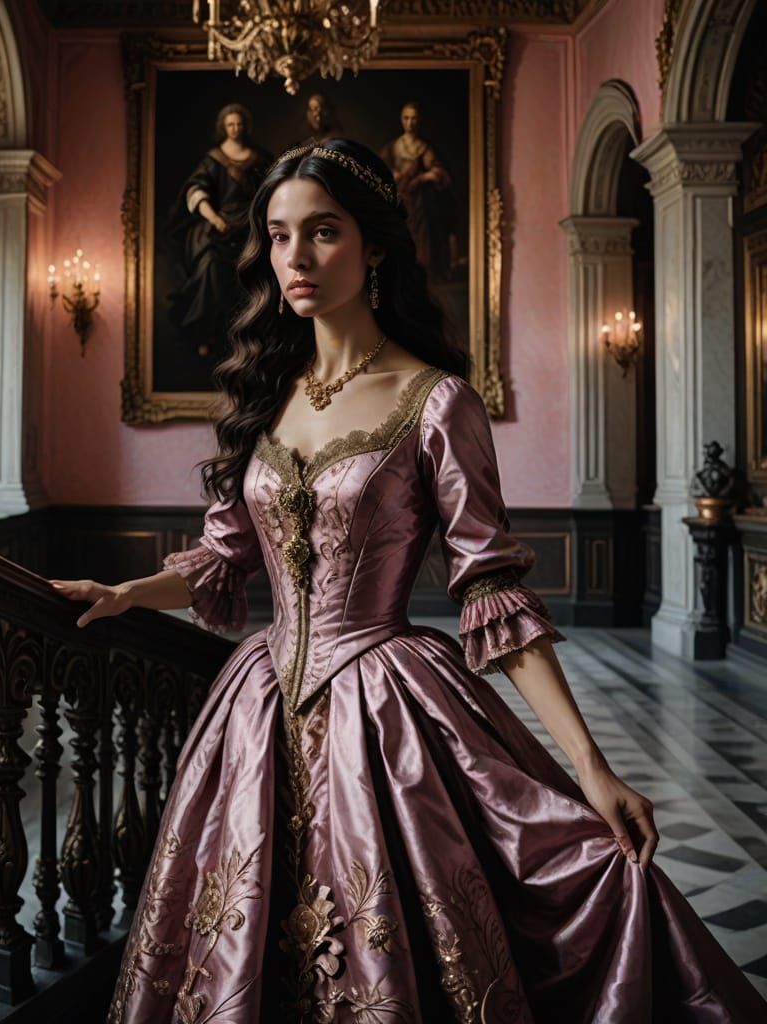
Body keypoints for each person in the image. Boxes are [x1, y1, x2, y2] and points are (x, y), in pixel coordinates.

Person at [52, 138, 767, 1022]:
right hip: (256, 710)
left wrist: (591, 767)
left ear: (374, 247)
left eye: (323, 231)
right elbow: (224, 555)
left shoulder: (436, 401)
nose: (296, 257)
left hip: (386, 712)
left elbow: (492, 591)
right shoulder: (262, 395)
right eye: (279, 235)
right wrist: (126, 595)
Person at [164, 102, 274, 360]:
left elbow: (272, 191)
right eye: (230, 124)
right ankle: (205, 335)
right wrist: (214, 218)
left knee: (258, 271)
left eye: (239, 124)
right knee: (210, 268)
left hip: (251, 226)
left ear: (245, 126)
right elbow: (195, 190)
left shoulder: (259, 158)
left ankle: (254, 337)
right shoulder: (214, 159)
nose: (235, 128)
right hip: (220, 227)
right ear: (223, 128)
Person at [379, 101, 459, 280]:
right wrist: (393, 174)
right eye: (406, 118)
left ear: (419, 120)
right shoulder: (393, 147)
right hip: (398, 201)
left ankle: (422, 278)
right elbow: (378, 170)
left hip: (420, 204)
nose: (410, 123)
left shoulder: (424, 148)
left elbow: (439, 172)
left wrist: (422, 178)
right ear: (401, 120)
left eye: (414, 118)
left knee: (422, 242)